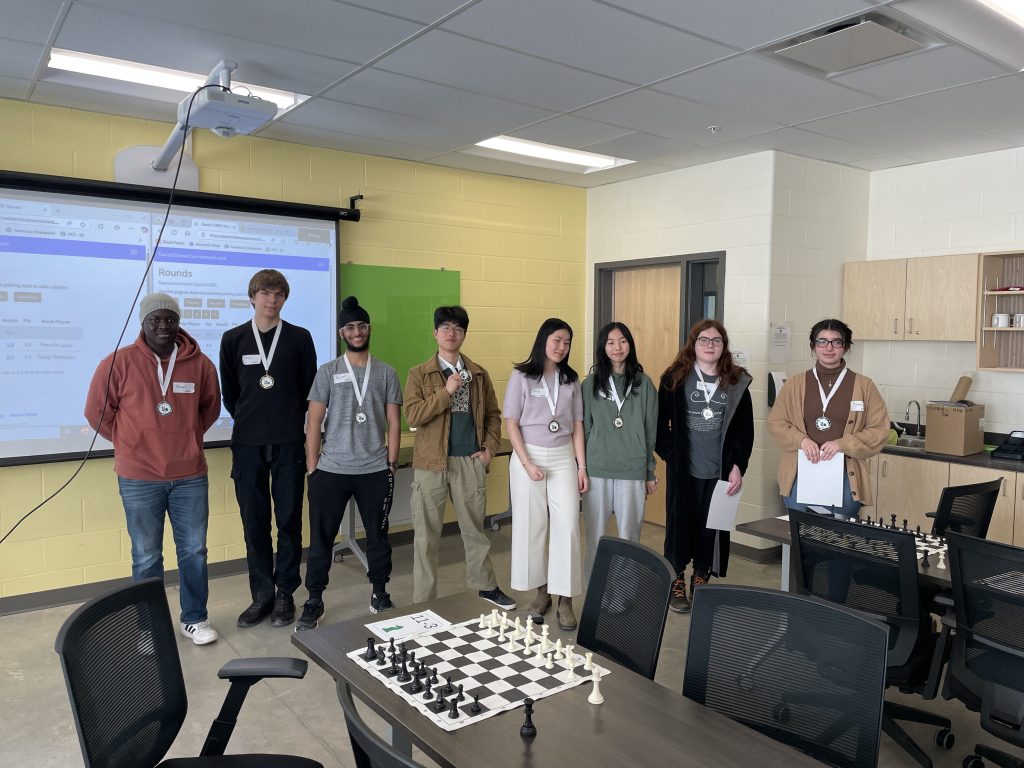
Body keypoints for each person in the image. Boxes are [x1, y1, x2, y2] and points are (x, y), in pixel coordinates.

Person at [85, 292, 221, 645]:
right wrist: (132, 443)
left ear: (178, 323)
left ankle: (194, 619)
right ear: (142, 323)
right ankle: (150, 626)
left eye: (170, 319)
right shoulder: (117, 362)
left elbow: (209, 410)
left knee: (194, 551)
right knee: (146, 555)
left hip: (189, 475)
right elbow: (97, 413)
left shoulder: (200, 364)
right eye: (155, 320)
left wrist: (186, 438)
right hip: (139, 477)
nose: (163, 326)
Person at [295, 297, 403, 631]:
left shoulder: (386, 372)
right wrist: (313, 468)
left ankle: (380, 594)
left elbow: (394, 421)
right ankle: (314, 600)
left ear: (369, 329)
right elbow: (313, 422)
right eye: (350, 327)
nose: (357, 332)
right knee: (321, 540)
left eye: (362, 326)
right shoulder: (327, 372)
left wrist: (392, 462)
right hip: (331, 470)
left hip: (374, 469)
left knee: (378, 537)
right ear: (342, 332)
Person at [219, 269, 317, 629]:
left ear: (284, 299)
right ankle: (261, 594)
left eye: (278, 294)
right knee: (254, 523)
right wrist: (253, 418)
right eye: (265, 293)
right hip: (247, 444)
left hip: (289, 441)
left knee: (289, 521)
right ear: (252, 296)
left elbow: (309, 391)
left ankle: (284, 594)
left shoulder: (299, 338)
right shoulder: (233, 339)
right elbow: (231, 394)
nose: (271, 300)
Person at [405, 305, 516, 610]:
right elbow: (412, 415)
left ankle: (486, 587)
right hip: (431, 464)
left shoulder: (478, 374)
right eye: (445, 328)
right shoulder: (419, 373)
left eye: (458, 328)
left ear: (465, 334)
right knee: (426, 537)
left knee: (474, 532)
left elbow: (494, 415)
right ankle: (422, 601)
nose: (451, 333)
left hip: (469, 461)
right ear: (435, 333)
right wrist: (445, 392)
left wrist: (489, 450)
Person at [656, 319, 753, 614]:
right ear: (693, 344)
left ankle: (702, 575)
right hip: (685, 470)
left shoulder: (736, 382)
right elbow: (660, 426)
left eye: (716, 341)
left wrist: (737, 466)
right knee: (680, 525)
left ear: (723, 346)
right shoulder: (675, 378)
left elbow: (744, 431)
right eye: (704, 340)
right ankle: (677, 580)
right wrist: (671, 455)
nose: (710, 345)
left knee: (711, 529)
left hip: (720, 472)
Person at [504, 318, 588, 630]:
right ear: (543, 340)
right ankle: (542, 593)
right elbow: (511, 422)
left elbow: (577, 425)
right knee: (532, 526)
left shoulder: (571, 379)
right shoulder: (522, 375)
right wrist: (527, 463)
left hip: (564, 456)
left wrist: (582, 466)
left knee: (567, 527)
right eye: (556, 340)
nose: (561, 347)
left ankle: (565, 598)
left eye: (567, 342)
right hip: (529, 455)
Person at [767, 318, 888, 519]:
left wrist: (843, 444)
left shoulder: (864, 385)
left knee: (837, 538)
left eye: (836, 342)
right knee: (802, 535)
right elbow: (776, 422)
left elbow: (880, 429)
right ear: (813, 346)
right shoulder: (795, 384)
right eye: (822, 341)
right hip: (800, 474)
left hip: (845, 477)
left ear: (846, 346)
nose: (828, 347)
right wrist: (802, 440)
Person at [581, 322, 658, 583]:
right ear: (603, 347)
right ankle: (595, 589)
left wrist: (649, 471)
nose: (617, 347)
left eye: (623, 341)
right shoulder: (590, 383)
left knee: (629, 538)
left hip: (632, 470)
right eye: (611, 342)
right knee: (595, 537)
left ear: (630, 345)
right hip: (597, 470)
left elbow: (650, 431)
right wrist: (582, 467)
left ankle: (626, 593)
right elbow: (584, 429)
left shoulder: (643, 383)